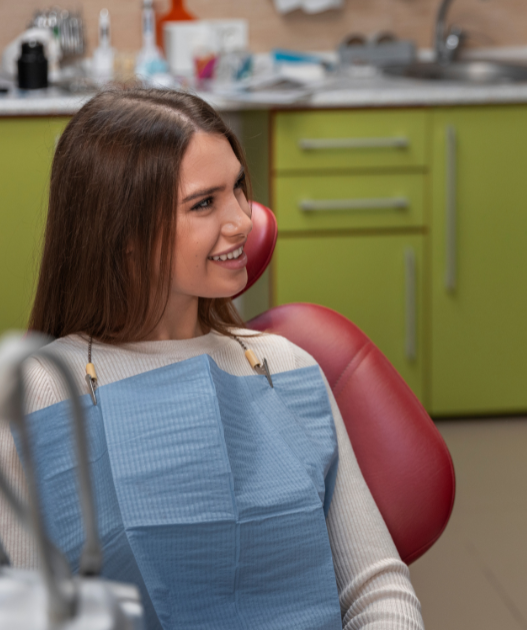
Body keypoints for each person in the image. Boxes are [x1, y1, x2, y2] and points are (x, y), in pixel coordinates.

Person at [0, 89, 424, 630]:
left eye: (239, 189)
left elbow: (377, 587)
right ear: (124, 233)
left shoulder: (285, 368)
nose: (244, 221)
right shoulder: (38, 394)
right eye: (204, 203)